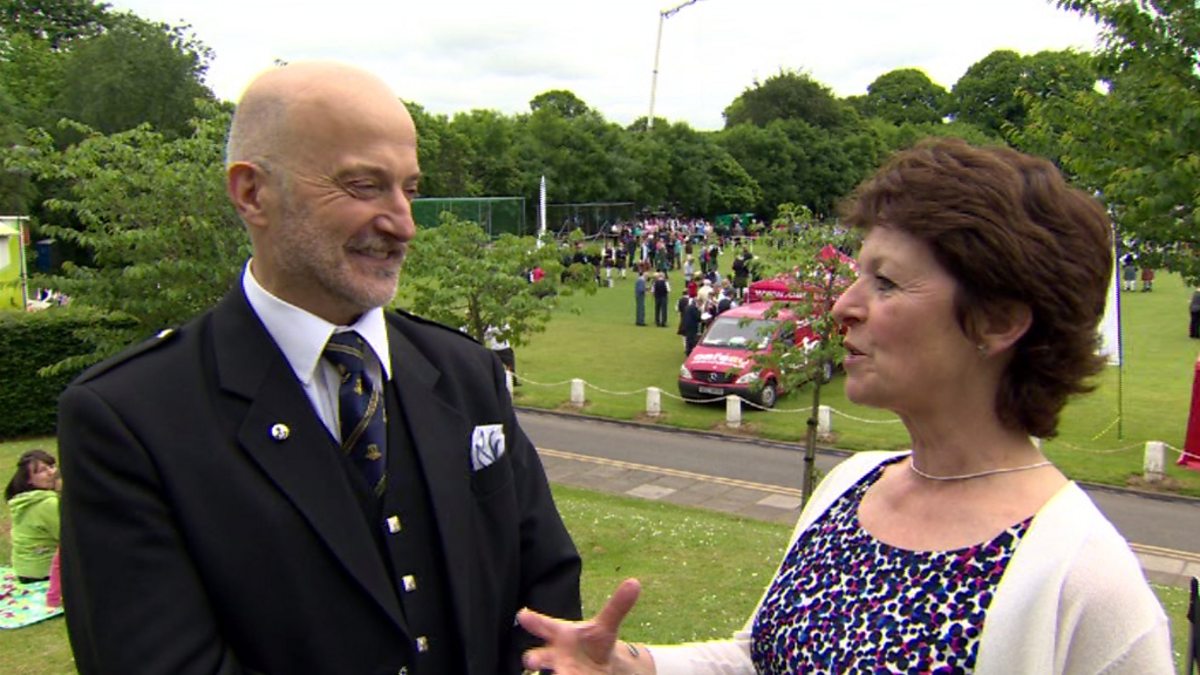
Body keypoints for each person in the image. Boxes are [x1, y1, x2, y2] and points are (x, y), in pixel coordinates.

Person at [517, 138, 1172, 674]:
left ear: (998, 321)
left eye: (885, 281)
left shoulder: (1088, 584)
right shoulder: (848, 485)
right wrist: (639, 665)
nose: (841, 306)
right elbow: (762, 658)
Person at [57, 62, 581, 675]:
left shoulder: (465, 372)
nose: (403, 224)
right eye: (363, 186)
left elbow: (544, 583)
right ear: (252, 193)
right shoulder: (130, 418)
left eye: (408, 189)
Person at [6, 449, 60, 583]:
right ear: (29, 480)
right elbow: (69, 537)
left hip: (25, 570)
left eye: (52, 466)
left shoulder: (25, 499)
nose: (51, 472)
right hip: (43, 571)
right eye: (42, 470)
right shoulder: (47, 503)